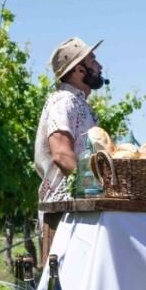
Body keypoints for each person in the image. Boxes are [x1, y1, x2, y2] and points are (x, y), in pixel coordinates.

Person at [34, 36, 106, 262]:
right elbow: (61, 153)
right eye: (92, 60)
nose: (99, 65)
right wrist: (97, 190)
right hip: (64, 211)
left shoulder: (78, 103)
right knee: (61, 289)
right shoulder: (63, 101)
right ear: (78, 69)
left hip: (78, 208)